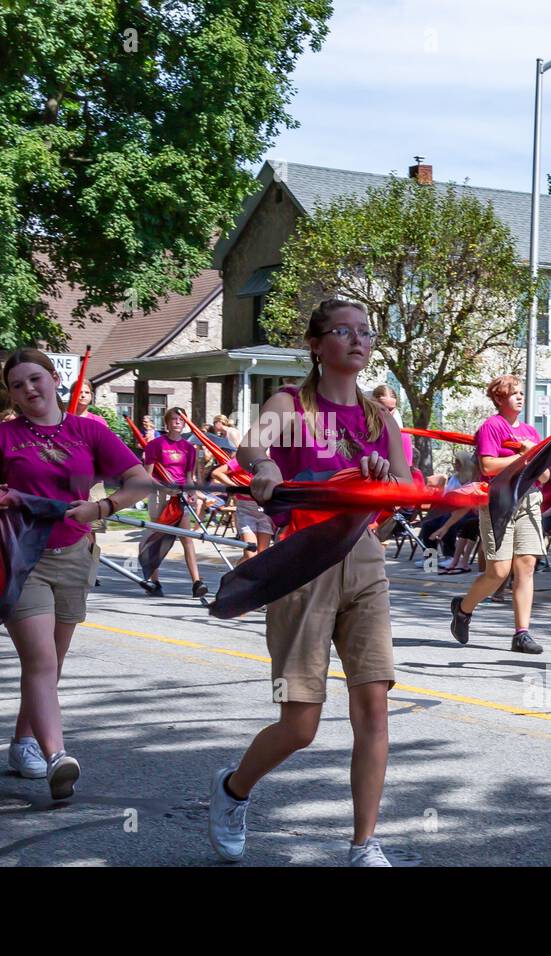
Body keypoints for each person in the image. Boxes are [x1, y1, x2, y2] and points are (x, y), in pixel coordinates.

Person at [208, 298, 409, 867]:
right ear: (317, 345)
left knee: (373, 709)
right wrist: (264, 467)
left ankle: (364, 844)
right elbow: (253, 447)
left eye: (365, 332)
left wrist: (380, 487)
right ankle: (233, 789)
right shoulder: (290, 403)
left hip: (364, 559)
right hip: (301, 561)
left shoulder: (381, 419)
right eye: (343, 331)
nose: (357, 340)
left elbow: (395, 500)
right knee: (300, 725)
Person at [0, 348, 148, 797]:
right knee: (41, 660)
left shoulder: (88, 430)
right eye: (18, 385)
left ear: (53, 379)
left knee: (51, 663)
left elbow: (142, 481)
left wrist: (101, 507)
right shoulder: (2, 439)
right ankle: (56, 757)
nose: (29, 389)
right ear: (10, 394)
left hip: (74, 555)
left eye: (36, 379)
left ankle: (23, 740)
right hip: (21, 558)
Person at [447, 375, 546, 654]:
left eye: (520, 393)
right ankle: (463, 609)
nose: (519, 397)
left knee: (526, 565)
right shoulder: (492, 427)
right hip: (499, 502)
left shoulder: (531, 431)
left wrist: (539, 461)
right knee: (498, 572)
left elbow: (546, 474)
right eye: (513, 393)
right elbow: (488, 466)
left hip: (529, 500)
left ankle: (522, 633)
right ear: (499, 399)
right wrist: (524, 457)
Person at [140, 407, 204, 598]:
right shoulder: (155, 445)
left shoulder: (189, 448)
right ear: (166, 423)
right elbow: (146, 475)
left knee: (186, 538)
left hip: (180, 496)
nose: (177, 422)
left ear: (185, 423)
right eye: (173, 419)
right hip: (161, 495)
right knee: (158, 538)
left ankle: (197, 582)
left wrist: (192, 493)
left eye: (181, 419)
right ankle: (155, 581)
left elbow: (189, 476)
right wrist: (163, 488)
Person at [210, 457, 272, 560]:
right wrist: (236, 487)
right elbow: (217, 473)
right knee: (251, 554)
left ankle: (235, 575)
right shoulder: (244, 459)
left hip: (265, 511)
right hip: (246, 510)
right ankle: (237, 575)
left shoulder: (272, 459)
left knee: (262, 557)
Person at [372, 384, 414, 468]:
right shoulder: (360, 430)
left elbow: (407, 472)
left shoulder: (402, 436)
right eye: (382, 408)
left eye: (391, 409)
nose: (387, 413)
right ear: (371, 405)